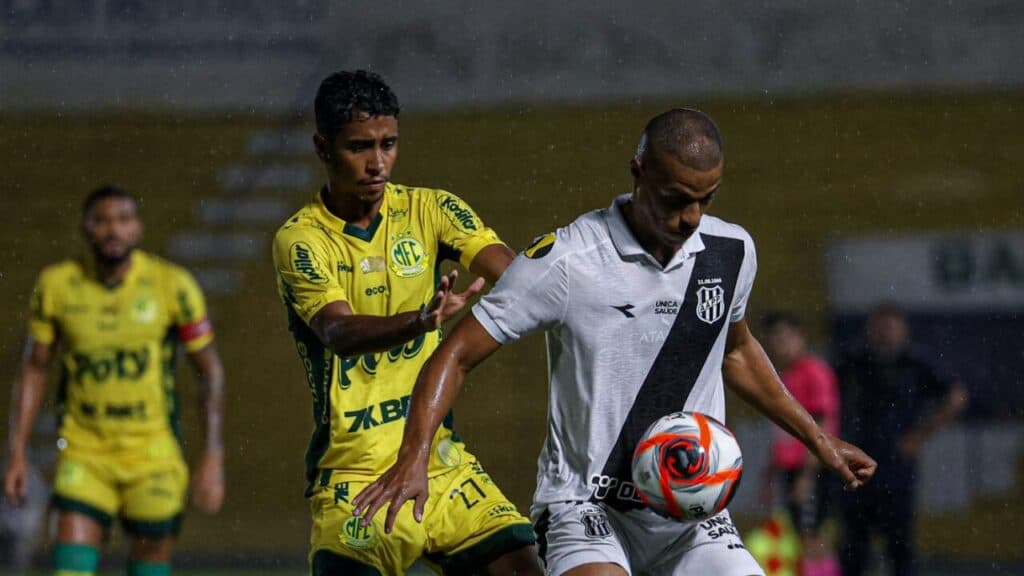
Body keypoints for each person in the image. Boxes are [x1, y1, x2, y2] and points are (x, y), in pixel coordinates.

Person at [354, 108, 877, 576]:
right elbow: (457, 352)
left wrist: (817, 438)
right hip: (586, 506)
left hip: (691, 509)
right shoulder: (566, 261)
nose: (691, 218)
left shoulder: (730, 251)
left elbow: (735, 350)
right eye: (677, 200)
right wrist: (413, 457)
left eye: (705, 200)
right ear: (638, 169)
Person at [271, 70, 541, 576]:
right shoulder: (302, 239)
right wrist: (420, 322)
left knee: (525, 570)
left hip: (440, 464)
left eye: (388, 144)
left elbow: (515, 274)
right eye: (359, 147)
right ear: (323, 148)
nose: (378, 163)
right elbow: (338, 333)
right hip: (355, 472)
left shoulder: (431, 208)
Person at [3, 185, 225, 576]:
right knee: (69, 567)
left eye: (123, 220)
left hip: (152, 456)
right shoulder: (57, 285)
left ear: (137, 229)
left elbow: (209, 371)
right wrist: (17, 452)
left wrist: (213, 453)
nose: (113, 230)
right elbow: (34, 368)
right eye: (101, 221)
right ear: (85, 229)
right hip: (85, 453)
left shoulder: (171, 285)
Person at [836, 303, 967, 576]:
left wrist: (921, 435)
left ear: (903, 332)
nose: (886, 335)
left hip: (897, 463)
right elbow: (824, 395)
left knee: (900, 546)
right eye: (880, 329)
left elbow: (956, 397)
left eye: (891, 329)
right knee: (853, 546)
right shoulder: (854, 361)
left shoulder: (916, 363)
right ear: (870, 331)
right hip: (857, 461)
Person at [761, 312, 840, 576]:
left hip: (811, 471)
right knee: (799, 538)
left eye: (785, 338)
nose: (778, 345)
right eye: (774, 339)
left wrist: (808, 476)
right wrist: (770, 474)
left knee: (814, 540)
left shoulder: (814, 372)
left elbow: (822, 427)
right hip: (791, 472)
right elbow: (783, 433)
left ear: (801, 337)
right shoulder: (782, 376)